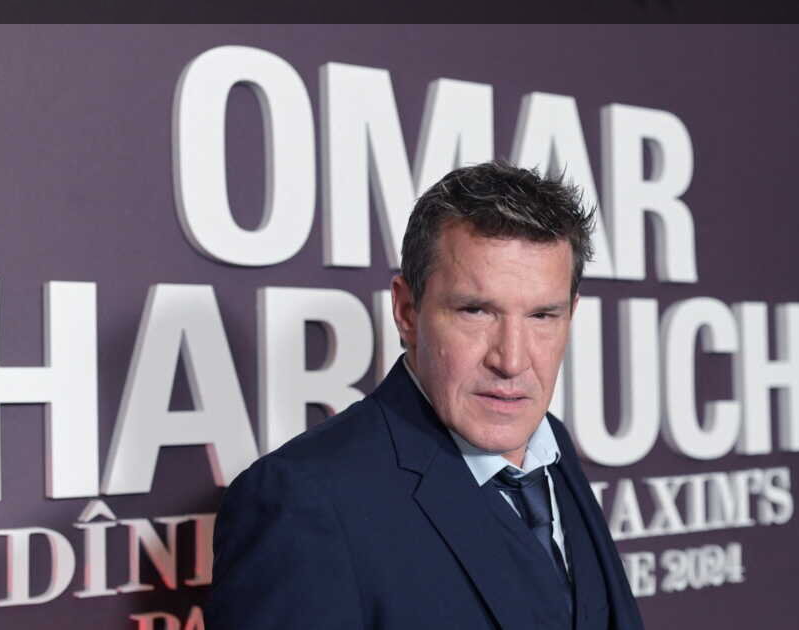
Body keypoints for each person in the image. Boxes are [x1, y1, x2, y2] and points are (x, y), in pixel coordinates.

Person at [206, 160, 644, 630]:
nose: (512, 360)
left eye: (542, 316)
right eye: (476, 311)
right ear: (407, 311)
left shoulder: (549, 442)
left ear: (571, 315)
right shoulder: (301, 501)